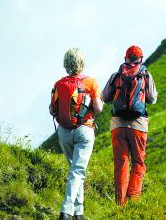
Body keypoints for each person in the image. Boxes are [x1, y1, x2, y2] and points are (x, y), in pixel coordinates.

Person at [49, 48, 103, 220]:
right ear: (82, 63)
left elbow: (52, 110)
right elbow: (99, 109)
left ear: (66, 64)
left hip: (63, 132)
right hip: (84, 131)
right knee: (78, 172)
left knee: (75, 171)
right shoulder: (91, 83)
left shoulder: (58, 84)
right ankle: (66, 211)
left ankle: (79, 213)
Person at [101, 45, 158, 206]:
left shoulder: (116, 75)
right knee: (138, 162)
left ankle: (121, 203)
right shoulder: (145, 75)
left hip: (118, 124)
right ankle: (134, 200)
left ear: (126, 58)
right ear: (141, 59)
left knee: (121, 163)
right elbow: (152, 99)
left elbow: (104, 97)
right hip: (138, 125)